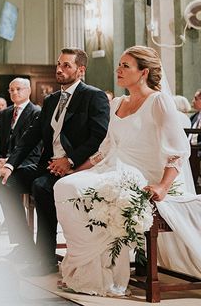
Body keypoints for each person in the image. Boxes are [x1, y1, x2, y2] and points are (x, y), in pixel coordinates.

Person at [54, 46, 201, 296]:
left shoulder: (158, 101)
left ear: (143, 72)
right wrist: (75, 169)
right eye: (119, 64)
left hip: (141, 175)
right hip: (110, 168)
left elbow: (177, 151)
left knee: (75, 189)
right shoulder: (118, 103)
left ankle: (98, 271)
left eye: (125, 66)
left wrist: (163, 187)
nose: (118, 70)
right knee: (65, 186)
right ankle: (87, 268)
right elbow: (104, 149)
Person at [0, 48, 110, 276]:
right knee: (5, 182)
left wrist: (70, 160)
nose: (59, 69)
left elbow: (99, 137)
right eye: (58, 64)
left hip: (78, 167)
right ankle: (25, 246)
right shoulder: (51, 100)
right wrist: (9, 165)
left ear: (81, 70)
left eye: (66, 65)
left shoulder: (93, 96)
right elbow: (30, 137)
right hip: (48, 165)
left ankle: (46, 259)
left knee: (41, 186)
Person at [0, 78, 41, 253]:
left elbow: (34, 146)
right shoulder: (4, 114)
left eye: (18, 89)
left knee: (4, 182)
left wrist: (10, 162)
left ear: (28, 91)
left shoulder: (36, 112)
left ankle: (23, 243)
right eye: (11, 90)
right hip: (4, 162)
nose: (14, 93)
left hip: (27, 163)